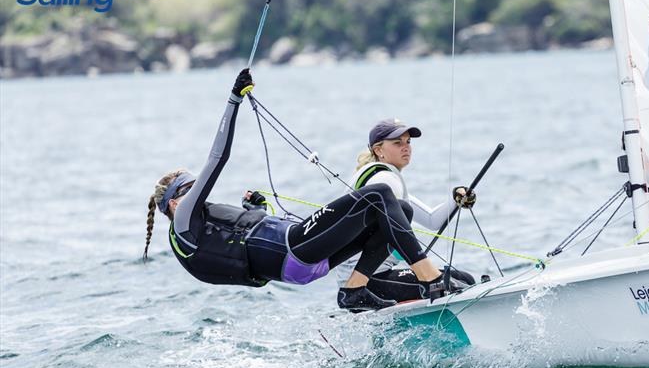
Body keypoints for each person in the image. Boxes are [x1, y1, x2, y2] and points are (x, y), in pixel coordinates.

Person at [143, 69, 462, 310]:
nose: (197, 191)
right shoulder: (183, 218)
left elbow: (246, 250)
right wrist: (234, 100)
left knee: (399, 209)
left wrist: (256, 211)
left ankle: (355, 288)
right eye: (188, 188)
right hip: (292, 250)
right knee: (378, 196)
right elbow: (217, 158)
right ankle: (429, 276)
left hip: (301, 265)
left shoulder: (192, 237)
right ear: (173, 203)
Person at [337, 118, 477, 307]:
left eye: (408, 142)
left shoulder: (384, 182)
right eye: (397, 143)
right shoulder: (384, 178)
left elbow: (431, 220)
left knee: (463, 278)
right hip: (365, 281)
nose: (406, 147)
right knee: (457, 285)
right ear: (378, 150)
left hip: (377, 275)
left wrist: (456, 200)